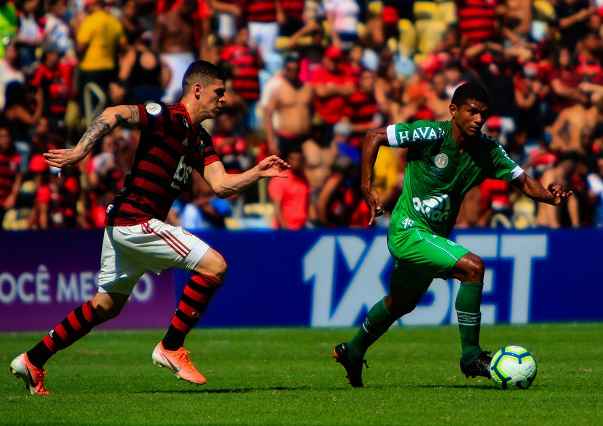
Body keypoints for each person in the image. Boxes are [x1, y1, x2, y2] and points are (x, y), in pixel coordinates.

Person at [9, 60, 290, 395]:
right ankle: (171, 347)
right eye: (219, 92)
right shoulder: (168, 115)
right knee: (215, 266)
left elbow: (221, 185)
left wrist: (257, 172)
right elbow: (116, 112)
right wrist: (81, 150)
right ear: (197, 89)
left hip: (123, 222)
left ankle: (33, 359)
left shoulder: (199, 139)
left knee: (105, 306)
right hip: (135, 219)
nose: (224, 100)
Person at [332, 83, 573, 387]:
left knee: (401, 303)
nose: (478, 119)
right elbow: (373, 136)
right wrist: (367, 188)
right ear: (454, 110)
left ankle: (352, 350)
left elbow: (523, 181)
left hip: (431, 235)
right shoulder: (430, 134)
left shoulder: (487, 149)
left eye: (483, 114)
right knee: (473, 268)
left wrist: (550, 197)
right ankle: (470, 357)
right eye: (472, 111)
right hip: (408, 229)